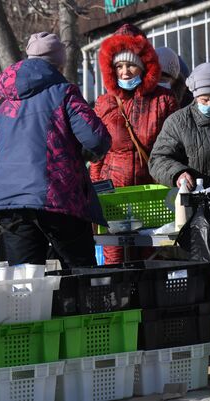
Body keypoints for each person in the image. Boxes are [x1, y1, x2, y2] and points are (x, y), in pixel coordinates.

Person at [0, 32, 111, 268]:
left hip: (10, 200)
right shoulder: (64, 92)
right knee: (82, 274)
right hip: (56, 195)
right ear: (59, 63)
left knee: (25, 281)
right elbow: (96, 139)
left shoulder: (1, 96)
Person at [90, 23, 178, 265]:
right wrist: (96, 194)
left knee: (150, 256)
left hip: (151, 191)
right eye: (119, 66)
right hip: (114, 193)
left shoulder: (163, 100)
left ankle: (148, 303)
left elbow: (174, 148)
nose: (125, 72)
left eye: (131, 65)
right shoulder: (104, 103)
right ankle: (120, 303)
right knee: (114, 258)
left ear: (144, 65)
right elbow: (98, 154)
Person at [149, 62, 210, 189]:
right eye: (204, 99)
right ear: (196, 96)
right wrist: (178, 173)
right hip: (194, 198)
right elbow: (158, 159)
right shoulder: (178, 122)